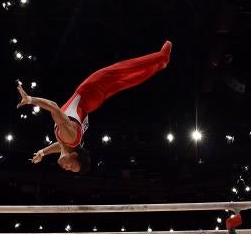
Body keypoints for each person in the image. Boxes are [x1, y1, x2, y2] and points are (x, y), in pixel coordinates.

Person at [16, 41, 172, 174]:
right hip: (89, 91)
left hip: (92, 102)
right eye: (72, 166)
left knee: (125, 82)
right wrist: (30, 99)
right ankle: (161, 57)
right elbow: (53, 106)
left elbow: (60, 146)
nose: (67, 168)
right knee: (122, 69)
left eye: (70, 170)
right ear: (74, 155)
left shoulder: (69, 143)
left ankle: (158, 65)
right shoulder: (69, 137)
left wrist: (43, 152)